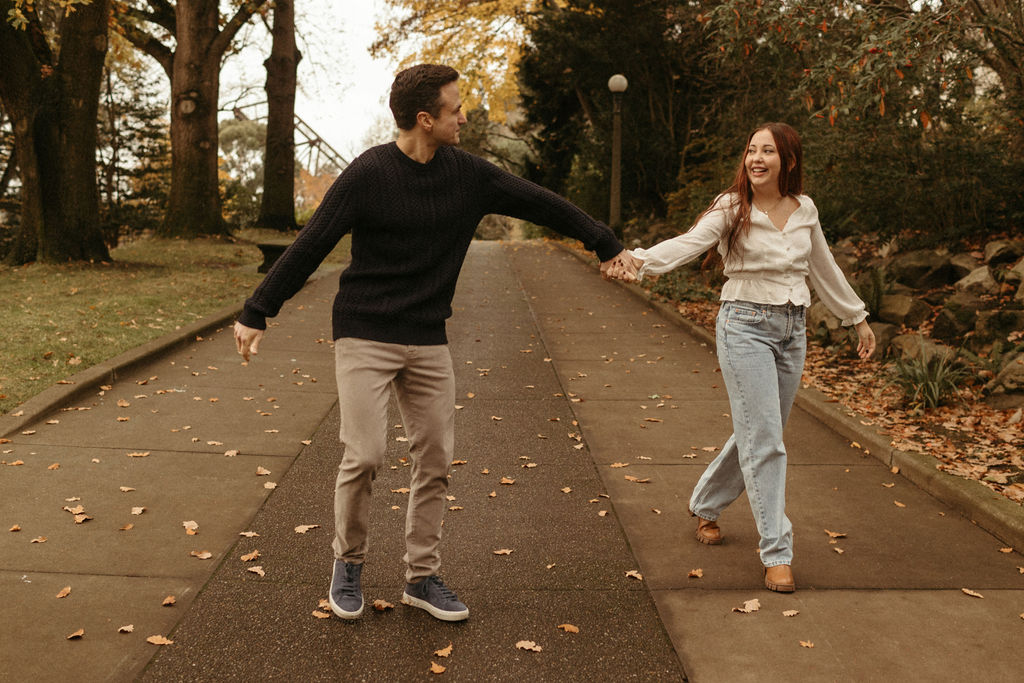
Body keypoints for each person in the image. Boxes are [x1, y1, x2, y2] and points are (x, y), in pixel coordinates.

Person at [233, 64, 634, 621]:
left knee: (436, 459)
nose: (465, 116)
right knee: (366, 454)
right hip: (365, 332)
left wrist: (604, 242)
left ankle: (421, 578)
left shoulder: (468, 175)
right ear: (426, 119)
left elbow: (541, 202)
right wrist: (258, 310)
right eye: (455, 108)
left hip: (426, 338)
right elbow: (313, 241)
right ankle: (347, 565)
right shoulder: (369, 173)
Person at [608, 122, 875, 593]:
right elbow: (691, 243)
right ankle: (777, 552)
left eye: (767, 151)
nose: (756, 158)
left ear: (787, 161)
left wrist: (856, 317)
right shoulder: (733, 205)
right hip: (744, 325)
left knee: (760, 432)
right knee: (766, 438)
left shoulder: (804, 210)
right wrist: (636, 258)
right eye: (751, 150)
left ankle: (707, 503)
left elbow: (823, 266)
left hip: (793, 330)